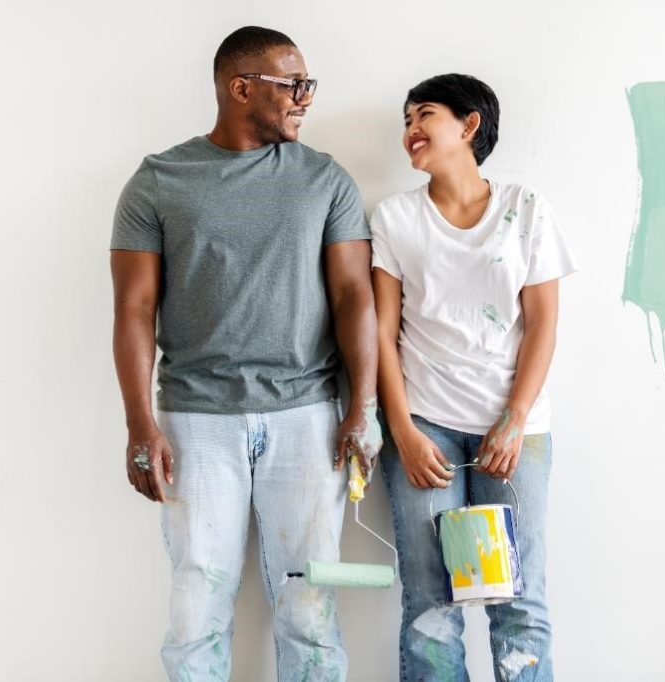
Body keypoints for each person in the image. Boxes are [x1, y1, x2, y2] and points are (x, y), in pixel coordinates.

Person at [110, 26, 382, 681]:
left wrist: (362, 407)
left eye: (308, 85)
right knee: (196, 601)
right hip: (194, 417)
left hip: (308, 414)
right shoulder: (158, 181)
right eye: (294, 85)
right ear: (241, 89)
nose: (305, 99)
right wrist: (140, 425)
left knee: (309, 606)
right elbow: (134, 310)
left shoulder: (324, 179)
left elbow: (353, 297)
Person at [371, 74, 576, 681]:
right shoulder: (395, 218)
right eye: (405, 120)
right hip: (425, 429)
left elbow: (543, 326)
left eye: (423, 115)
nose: (410, 130)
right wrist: (403, 431)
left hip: (514, 435)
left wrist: (513, 422)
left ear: (469, 125)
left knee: (518, 601)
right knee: (430, 604)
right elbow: (381, 333)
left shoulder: (526, 208)